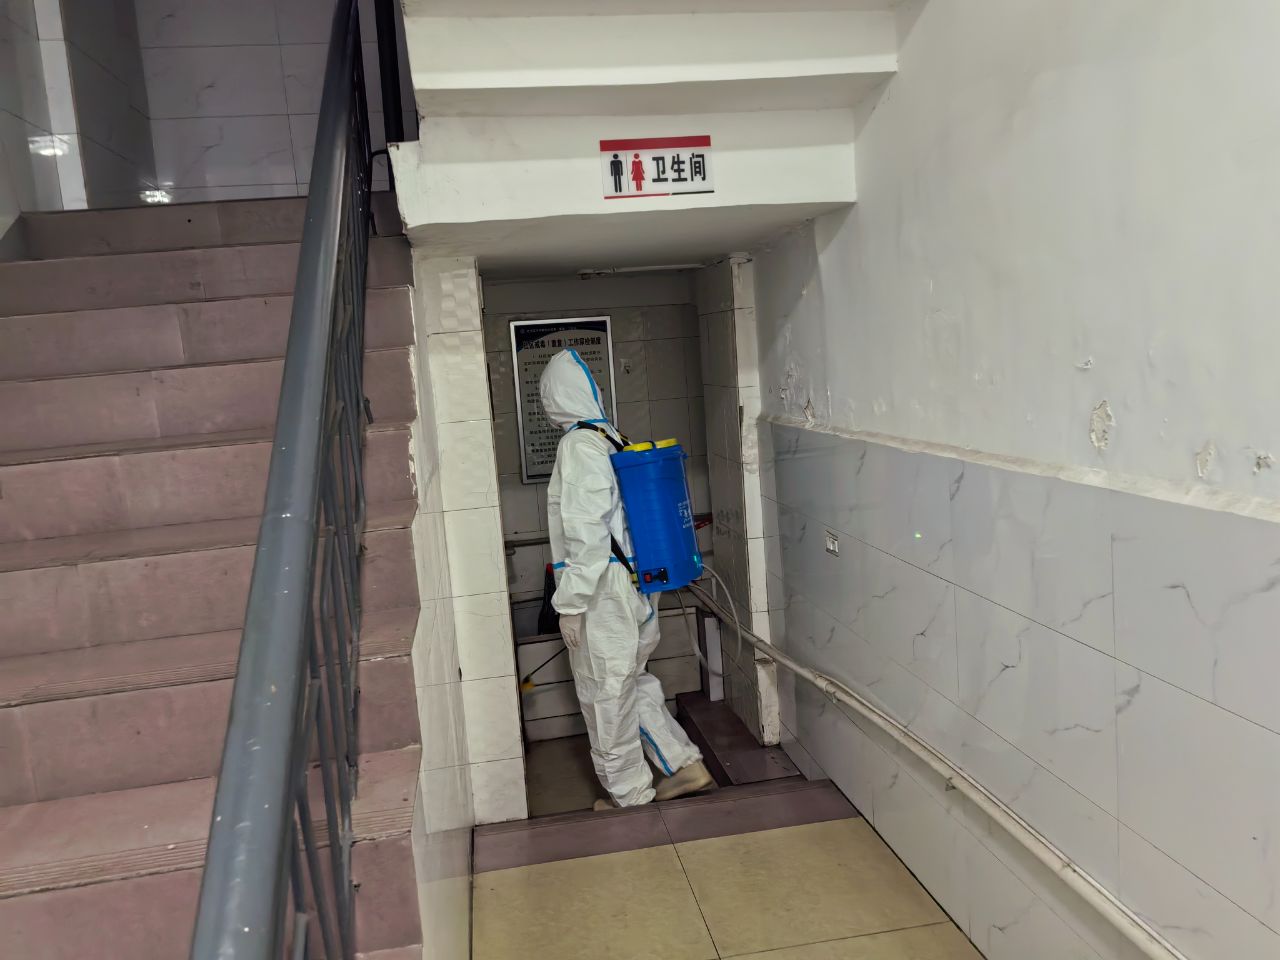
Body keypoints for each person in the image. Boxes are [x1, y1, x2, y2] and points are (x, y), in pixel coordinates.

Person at [539, 349, 713, 808]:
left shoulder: (578, 445)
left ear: (556, 397)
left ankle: (628, 796)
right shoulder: (611, 437)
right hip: (637, 583)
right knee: (631, 683)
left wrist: (571, 604)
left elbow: (586, 532)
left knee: (605, 695)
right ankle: (683, 766)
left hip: (603, 590)